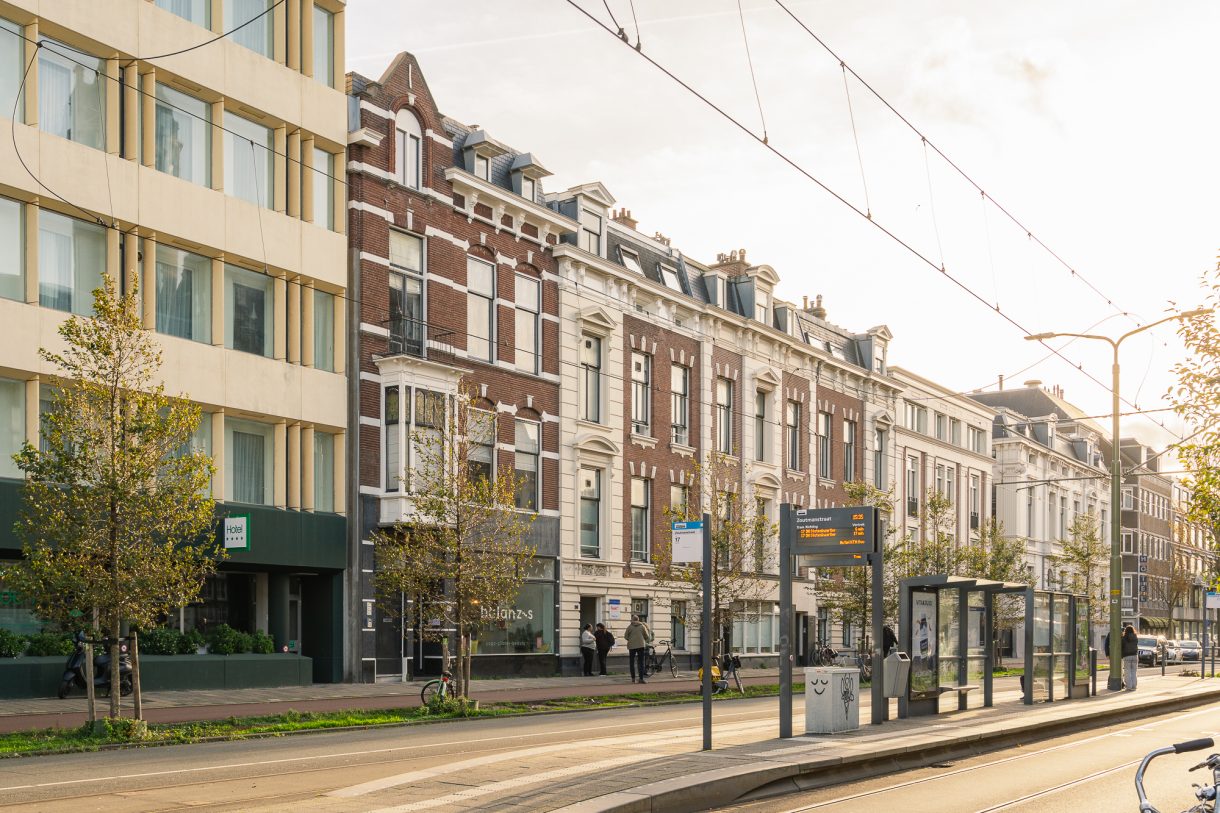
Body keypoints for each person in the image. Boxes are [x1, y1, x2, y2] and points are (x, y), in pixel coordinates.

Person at [623, 614, 653, 683]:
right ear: (638, 619)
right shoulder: (642, 626)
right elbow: (647, 636)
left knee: (632, 662)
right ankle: (641, 678)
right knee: (641, 662)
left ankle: (633, 678)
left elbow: (625, 636)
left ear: (632, 620)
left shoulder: (629, 627)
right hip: (640, 645)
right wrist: (642, 639)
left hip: (632, 646)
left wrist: (631, 639)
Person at [1122, 623, 1139, 690]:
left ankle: (1129, 686)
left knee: (1127, 671)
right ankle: (1134, 686)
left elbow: (1122, 647)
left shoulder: (1124, 638)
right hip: (1135, 655)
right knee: (1134, 672)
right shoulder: (1135, 637)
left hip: (1127, 656)